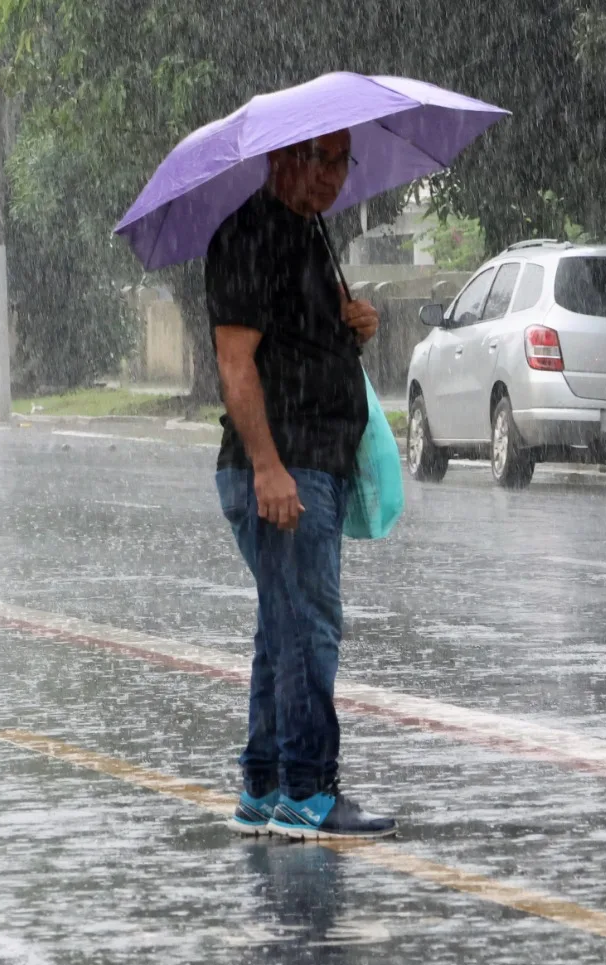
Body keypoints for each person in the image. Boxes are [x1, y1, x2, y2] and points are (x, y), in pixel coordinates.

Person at [206, 129, 398, 841]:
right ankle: (309, 791)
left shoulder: (309, 232)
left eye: (344, 162)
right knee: (310, 629)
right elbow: (236, 363)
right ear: (281, 158)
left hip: (312, 460)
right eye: (321, 159)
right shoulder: (249, 235)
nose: (333, 177)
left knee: (281, 626)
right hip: (284, 468)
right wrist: (268, 467)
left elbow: (303, 342)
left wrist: (357, 323)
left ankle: (262, 786)